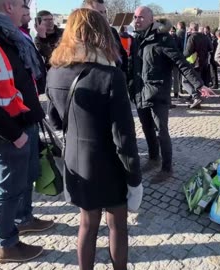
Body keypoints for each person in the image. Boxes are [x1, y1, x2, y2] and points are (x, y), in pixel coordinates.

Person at [46, 9, 142, 269]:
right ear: (101, 35)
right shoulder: (111, 76)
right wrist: (135, 179)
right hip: (109, 165)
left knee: (87, 225)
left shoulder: (54, 72)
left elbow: (54, 120)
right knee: (117, 226)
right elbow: (124, 137)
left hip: (76, 162)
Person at [0, 0, 52, 263]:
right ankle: (6, 244)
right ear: (9, 5)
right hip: (8, 132)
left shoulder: (5, 32)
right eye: (24, 4)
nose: (27, 10)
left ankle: (23, 219)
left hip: (24, 121)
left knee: (25, 178)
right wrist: (15, 134)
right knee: (8, 188)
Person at [128, 7, 213, 183]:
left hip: (158, 93)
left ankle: (167, 167)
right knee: (146, 128)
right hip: (140, 92)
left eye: (141, 17)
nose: (137, 20)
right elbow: (132, 66)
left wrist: (199, 85)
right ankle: (153, 158)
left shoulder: (163, 39)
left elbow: (181, 63)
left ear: (152, 20)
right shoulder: (136, 39)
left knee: (162, 131)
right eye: (135, 17)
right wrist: (129, 86)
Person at [83, 0, 129, 75]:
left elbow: (123, 55)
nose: (104, 15)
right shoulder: (82, 34)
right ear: (87, 13)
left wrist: (122, 75)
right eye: (100, 12)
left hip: (113, 79)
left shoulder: (112, 32)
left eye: (105, 12)